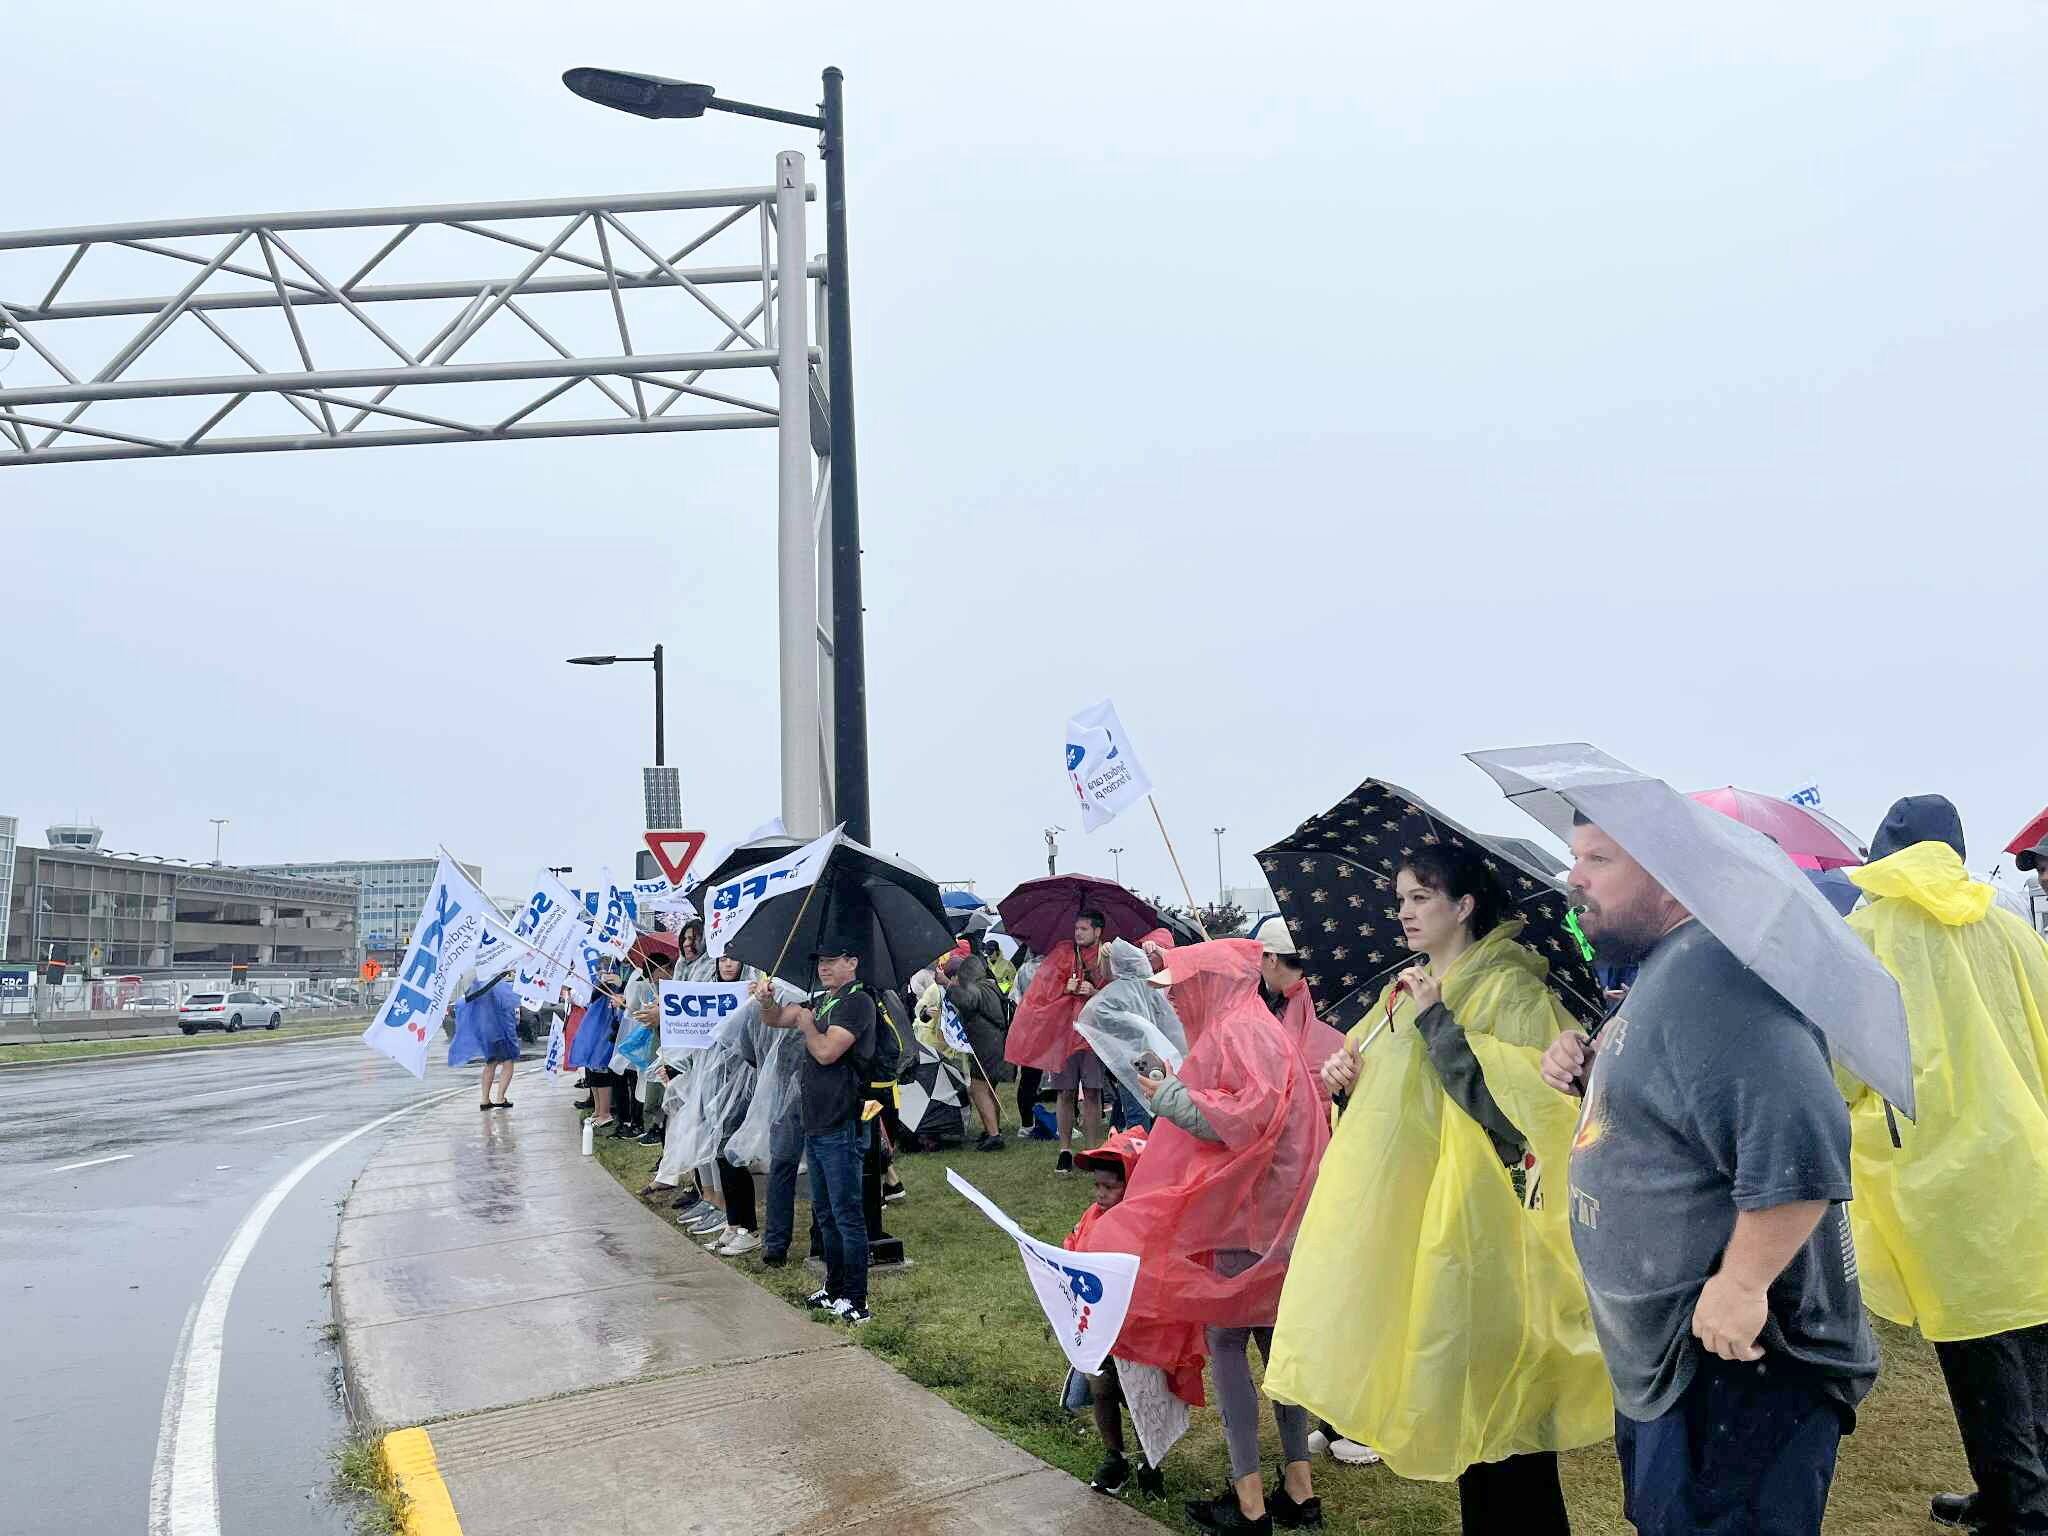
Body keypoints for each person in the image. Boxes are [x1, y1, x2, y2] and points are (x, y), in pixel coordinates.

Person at [1538, 816, 1878, 1536]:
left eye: (1599, 857)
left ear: (1670, 875)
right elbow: (1682, 1097)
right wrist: (1590, 1066)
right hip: (1683, 1361)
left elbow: (1806, 1138)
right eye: (1576, 857)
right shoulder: (1673, 965)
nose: (1575, 878)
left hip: (1742, 1362)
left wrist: (1744, 1283)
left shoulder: (1718, 973)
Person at [1265, 851, 1609, 1528]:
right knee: (1468, 1434)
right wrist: (1350, 1083)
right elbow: (1401, 1112)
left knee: (1512, 1443)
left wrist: (1439, 1025)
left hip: (1498, 1241)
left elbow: (1522, 1124)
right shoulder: (1411, 986)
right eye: (1401, 899)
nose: (1405, 912)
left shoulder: (1511, 991)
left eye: (1422, 897)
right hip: (1428, 1230)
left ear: (1465, 906)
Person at [1839, 796, 2048, 1533]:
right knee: (2031, 1338)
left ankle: (2022, 1512)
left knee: (1979, 1356)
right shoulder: (2013, 930)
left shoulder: (1862, 937)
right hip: (2028, 1163)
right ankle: (2016, 1492)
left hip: (1940, 1183)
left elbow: (1842, 1073)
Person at [1080, 937, 1331, 1536]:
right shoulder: (1258, 1025)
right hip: (1280, 1213)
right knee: (1278, 1348)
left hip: (1249, 1215)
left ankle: (1249, 1503)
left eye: (1187, 986)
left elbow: (1241, 1120)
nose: (1180, 998)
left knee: (1227, 1342)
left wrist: (1166, 1095)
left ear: (1211, 983)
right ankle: (1299, 1490)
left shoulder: (1237, 1029)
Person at [757, 937, 879, 1324]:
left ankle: (857, 1299)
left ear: (853, 962)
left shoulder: (858, 1002)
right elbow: (775, 1019)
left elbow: (827, 1051)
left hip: (842, 1118)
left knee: (846, 1213)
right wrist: (765, 999)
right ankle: (835, 1286)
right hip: (817, 1119)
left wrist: (808, 1026)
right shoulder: (823, 1000)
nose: (824, 967)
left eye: (832, 961)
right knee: (824, 1211)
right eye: (821, 962)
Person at [1064, 1129, 1168, 1501]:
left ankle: (1149, 1461)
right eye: (1097, 1186)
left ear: (1133, 1184)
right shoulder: (1092, 1217)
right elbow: (1073, 1253)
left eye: (1109, 1188)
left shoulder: (1148, 1222)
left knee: (1142, 1396)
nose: (1100, 1195)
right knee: (1102, 1388)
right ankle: (1115, 1455)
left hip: (1139, 1334)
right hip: (1101, 1330)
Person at [1006, 910, 1114, 1173]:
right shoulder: (1064, 953)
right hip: (1064, 1035)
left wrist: (1095, 991)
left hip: (1091, 1035)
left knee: (1091, 1092)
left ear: (1098, 931)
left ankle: (1090, 1149)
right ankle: (1064, 1150)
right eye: (1076, 928)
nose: (1078, 933)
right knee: (1065, 1093)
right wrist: (1065, 988)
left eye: (1084, 929)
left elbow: (1118, 993)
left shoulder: (1107, 955)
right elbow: (1042, 990)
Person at [940, 950, 1012, 1151]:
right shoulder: (989, 984)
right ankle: (992, 1128)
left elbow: (968, 1001)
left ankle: (994, 1135)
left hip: (987, 1045)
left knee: (978, 1089)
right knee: (989, 1089)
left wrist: (947, 984)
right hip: (996, 1043)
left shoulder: (976, 987)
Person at [448, 968, 521, 1110]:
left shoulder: (473, 989)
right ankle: (500, 1098)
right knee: (508, 1061)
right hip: (500, 1030)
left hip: (484, 1032)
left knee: (491, 1063)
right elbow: (508, 1001)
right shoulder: (493, 985)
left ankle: (484, 1099)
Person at [565, 969, 627, 1129]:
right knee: (592, 1069)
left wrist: (618, 984)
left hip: (605, 1028)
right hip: (595, 1027)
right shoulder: (596, 986)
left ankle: (605, 1112)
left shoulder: (615, 983)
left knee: (600, 1069)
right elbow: (587, 999)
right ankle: (599, 1110)